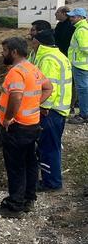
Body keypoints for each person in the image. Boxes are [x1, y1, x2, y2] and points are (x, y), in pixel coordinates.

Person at [0, 37, 52, 218]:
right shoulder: (32, 69)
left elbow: (16, 98)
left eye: (4, 51)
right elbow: (49, 88)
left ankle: (14, 206)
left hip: (17, 128)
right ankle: (28, 199)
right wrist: (34, 104)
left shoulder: (15, 72)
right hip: (32, 125)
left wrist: (8, 118)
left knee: (16, 166)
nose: (2, 54)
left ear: (14, 52)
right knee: (30, 163)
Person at [31, 29, 72, 191]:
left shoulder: (47, 59)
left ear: (38, 43)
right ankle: (51, 180)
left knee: (48, 148)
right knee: (51, 147)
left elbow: (49, 87)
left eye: (33, 41)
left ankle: (51, 183)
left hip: (50, 111)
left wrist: (43, 107)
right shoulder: (59, 55)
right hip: (59, 110)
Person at [68, 7, 88, 122]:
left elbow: (85, 48)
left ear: (81, 17)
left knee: (82, 90)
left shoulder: (81, 30)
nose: (71, 18)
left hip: (80, 65)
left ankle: (84, 115)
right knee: (84, 89)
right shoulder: (82, 27)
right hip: (82, 65)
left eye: (73, 16)